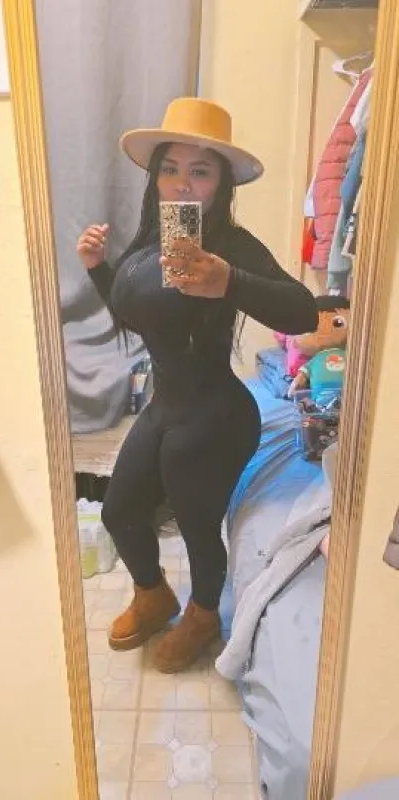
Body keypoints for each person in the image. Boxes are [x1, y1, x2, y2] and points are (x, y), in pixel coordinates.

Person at [77, 97, 318, 673]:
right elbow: (139, 315)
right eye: (170, 169)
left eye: (200, 171)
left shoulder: (229, 243)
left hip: (216, 415)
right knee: (118, 511)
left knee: (196, 527)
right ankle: (153, 595)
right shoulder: (152, 240)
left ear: (221, 183)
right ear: (156, 177)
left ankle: (204, 616)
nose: (182, 184)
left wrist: (229, 281)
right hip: (167, 405)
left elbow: (304, 311)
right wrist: (99, 269)